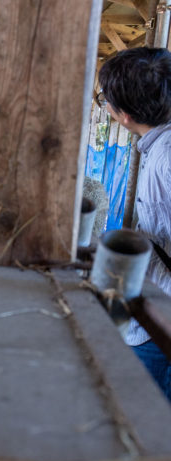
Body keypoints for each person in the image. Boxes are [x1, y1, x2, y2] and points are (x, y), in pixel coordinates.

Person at [98, 47, 171, 400]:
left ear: (123, 115)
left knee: (142, 412)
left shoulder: (165, 161)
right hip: (155, 306)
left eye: (105, 101)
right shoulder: (158, 148)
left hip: (161, 318)